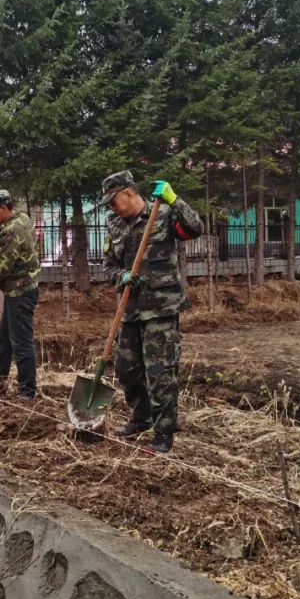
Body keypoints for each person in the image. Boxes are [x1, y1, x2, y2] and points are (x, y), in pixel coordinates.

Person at [101, 170, 203, 453]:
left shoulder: (165, 215)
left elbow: (195, 229)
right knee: (126, 369)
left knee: (160, 372)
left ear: (129, 193)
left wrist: (175, 199)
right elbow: (107, 265)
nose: (112, 208)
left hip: (161, 308)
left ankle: (163, 433)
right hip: (130, 309)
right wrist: (120, 276)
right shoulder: (115, 225)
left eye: (113, 201)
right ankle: (141, 418)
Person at [0, 189, 41, 401]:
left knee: (21, 342)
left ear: (4, 208)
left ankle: (27, 390)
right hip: (19, 288)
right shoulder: (23, 219)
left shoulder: (12, 230)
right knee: (4, 338)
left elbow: (2, 268)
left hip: (20, 292)